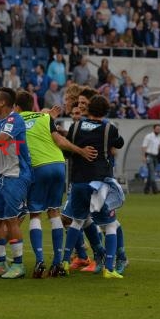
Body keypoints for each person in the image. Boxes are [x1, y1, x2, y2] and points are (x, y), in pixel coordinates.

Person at [15, 90, 98, 278]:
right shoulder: (44, 118)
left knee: (35, 214)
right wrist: (80, 150)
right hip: (58, 165)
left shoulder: (16, 120)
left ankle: (39, 261)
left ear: (17, 107)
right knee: (54, 212)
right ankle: (58, 263)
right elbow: (59, 140)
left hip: (38, 167)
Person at [61, 95, 125, 279]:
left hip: (78, 181)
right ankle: (109, 268)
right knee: (110, 225)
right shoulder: (109, 128)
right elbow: (118, 143)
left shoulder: (76, 126)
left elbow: (67, 150)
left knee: (77, 221)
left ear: (88, 109)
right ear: (106, 111)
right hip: (99, 182)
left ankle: (64, 262)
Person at [0, 87, 32, 279]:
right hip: (2, 177)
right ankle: (1, 263)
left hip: (17, 175)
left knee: (11, 219)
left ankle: (19, 265)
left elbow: (2, 140)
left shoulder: (15, 119)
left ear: (2, 102)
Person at [142, 124, 160, 194]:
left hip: (155, 157)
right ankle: (155, 190)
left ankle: (146, 189)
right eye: (157, 129)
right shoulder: (149, 136)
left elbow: (159, 146)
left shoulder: (159, 137)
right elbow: (144, 146)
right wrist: (144, 156)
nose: (158, 130)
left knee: (150, 174)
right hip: (149, 156)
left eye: (159, 129)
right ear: (154, 129)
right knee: (152, 173)